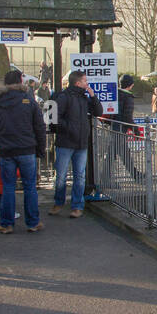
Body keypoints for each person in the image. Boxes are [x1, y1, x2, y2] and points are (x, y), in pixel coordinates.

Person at [0, 68, 46, 234]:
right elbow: (39, 127)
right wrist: (41, 149)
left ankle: (6, 223)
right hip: (27, 150)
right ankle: (33, 222)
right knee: (29, 187)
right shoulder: (29, 100)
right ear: (21, 81)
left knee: (8, 187)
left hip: (5, 151)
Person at [49, 69, 102, 217]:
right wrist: (69, 128)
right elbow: (54, 118)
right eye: (85, 81)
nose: (87, 83)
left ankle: (77, 205)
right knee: (61, 176)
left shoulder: (84, 98)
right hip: (66, 142)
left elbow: (98, 111)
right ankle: (59, 202)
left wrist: (93, 96)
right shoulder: (64, 97)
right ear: (78, 83)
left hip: (81, 143)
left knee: (79, 176)